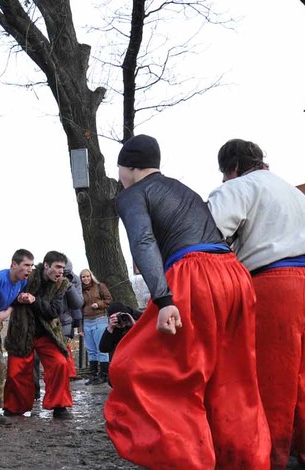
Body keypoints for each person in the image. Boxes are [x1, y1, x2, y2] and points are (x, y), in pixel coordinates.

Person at [104, 135, 271, 468]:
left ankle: (188, 460)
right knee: (233, 381)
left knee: (145, 371)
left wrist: (164, 298)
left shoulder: (133, 194)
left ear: (130, 167)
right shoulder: (182, 189)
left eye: (120, 168)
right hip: (234, 275)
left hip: (191, 276)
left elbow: (143, 241)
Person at [207, 138, 305, 468]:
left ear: (232, 167)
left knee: (271, 384)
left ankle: (269, 460)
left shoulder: (236, 189)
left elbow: (210, 236)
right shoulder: (295, 193)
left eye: (224, 173)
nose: (223, 180)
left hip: (274, 285)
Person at [3, 251, 75, 419]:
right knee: (15, 371)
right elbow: (8, 296)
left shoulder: (61, 284)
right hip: (21, 331)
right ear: (46, 265)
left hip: (47, 334)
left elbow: (54, 311)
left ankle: (60, 406)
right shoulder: (27, 276)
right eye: (57, 267)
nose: (60, 271)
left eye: (63, 268)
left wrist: (34, 300)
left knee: (60, 363)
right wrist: (19, 298)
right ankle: (14, 407)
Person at [0, 249, 33, 423]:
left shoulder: (22, 282)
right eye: (26, 265)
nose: (29, 269)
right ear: (14, 264)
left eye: (31, 265)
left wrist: (5, 313)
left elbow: (15, 301)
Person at [79, 269, 112, 385]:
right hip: (86, 321)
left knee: (101, 348)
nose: (86, 279)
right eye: (83, 277)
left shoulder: (99, 286)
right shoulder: (79, 291)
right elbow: (78, 309)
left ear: (91, 276)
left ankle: (103, 375)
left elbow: (108, 299)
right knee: (91, 349)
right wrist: (80, 328)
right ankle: (93, 375)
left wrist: (98, 304)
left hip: (100, 319)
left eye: (87, 276)